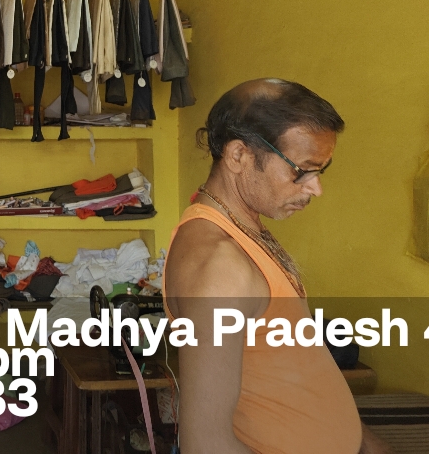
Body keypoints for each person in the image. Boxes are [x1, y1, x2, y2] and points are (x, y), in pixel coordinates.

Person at [163, 79, 388, 454]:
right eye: (302, 171)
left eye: (320, 172)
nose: (315, 189)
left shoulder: (243, 228)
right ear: (239, 156)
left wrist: (362, 439)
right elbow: (206, 445)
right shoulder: (218, 268)